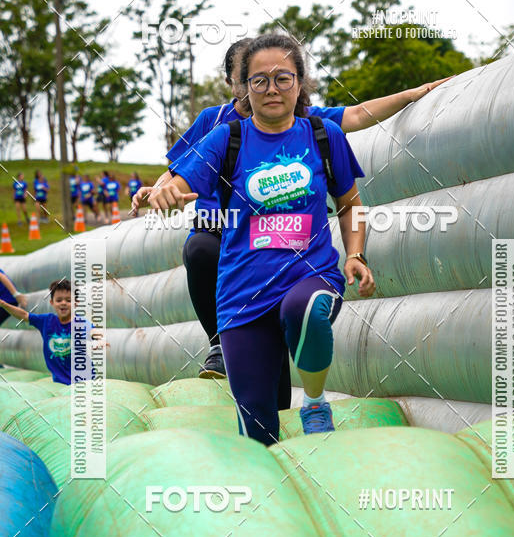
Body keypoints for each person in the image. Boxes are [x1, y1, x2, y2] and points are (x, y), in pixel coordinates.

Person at [133, 37, 450, 387]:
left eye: (278, 78)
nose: (267, 87)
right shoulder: (216, 122)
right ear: (235, 82)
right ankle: (220, 342)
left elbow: (358, 114)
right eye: (252, 78)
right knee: (198, 250)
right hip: (221, 223)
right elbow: (180, 169)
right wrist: (158, 188)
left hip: (268, 231)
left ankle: (286, 368)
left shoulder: (297, 120)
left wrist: (411, 95)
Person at [145, 33, 376, 445]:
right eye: (260, 80)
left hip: (312, 274)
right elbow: (182, 181)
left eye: (283, 78)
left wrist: (355, 253)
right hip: (242, 297)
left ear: (300, 83)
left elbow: (349, 202)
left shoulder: (324, 136)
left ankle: (316, 401)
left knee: (304, 310)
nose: (272, 88)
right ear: (244, 88)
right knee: (259, 434)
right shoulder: (226, 139)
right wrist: (166, 191)